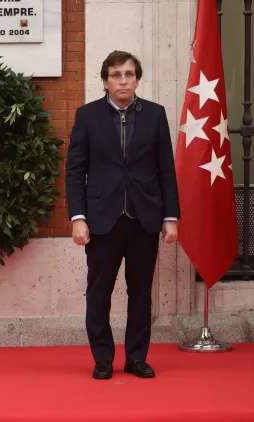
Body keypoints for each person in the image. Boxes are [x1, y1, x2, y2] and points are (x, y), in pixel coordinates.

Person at [65, 51, 179, 380]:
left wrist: (170, 216)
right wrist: (78, 217)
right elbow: (75, 170)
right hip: (102, 219)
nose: (123, 80)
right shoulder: (87, 116)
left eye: (129, 74)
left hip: (145, 218)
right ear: (105, 81)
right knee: (99, 292)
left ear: (137, 79)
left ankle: (136, 358)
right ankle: (103, 358)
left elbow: (166, 169)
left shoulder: (155, 115)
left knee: (140, 293)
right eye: (116, 75)